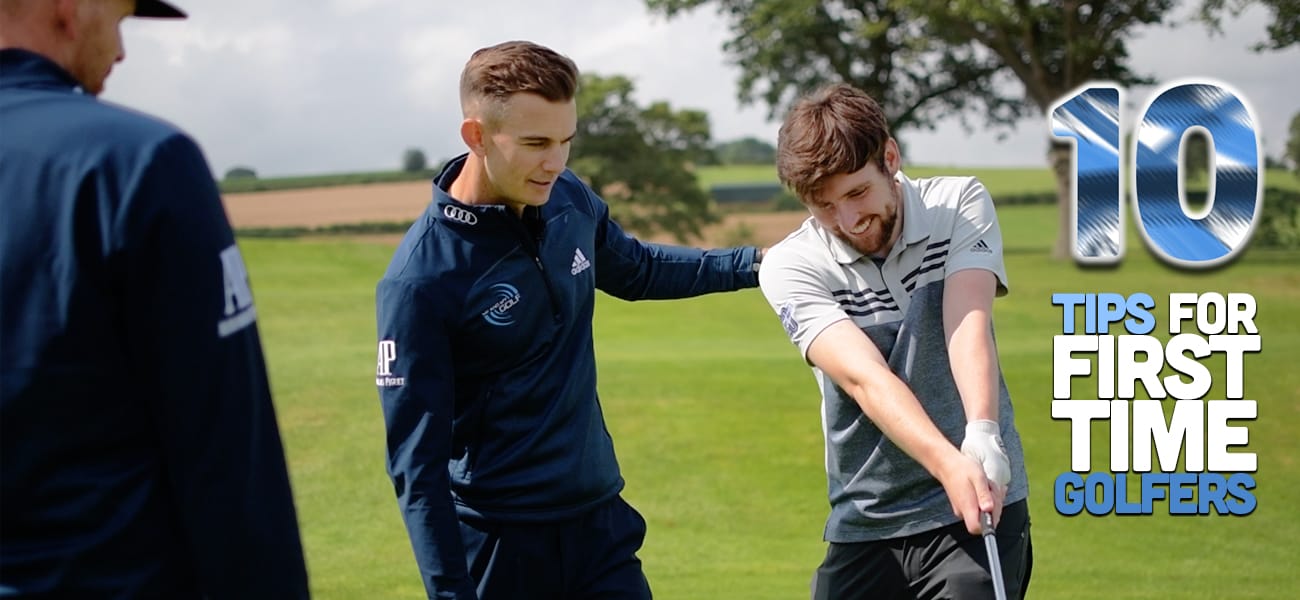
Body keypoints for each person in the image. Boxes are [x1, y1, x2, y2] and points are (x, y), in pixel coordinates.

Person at [374, 40, 763, 599]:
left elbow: (638, 269)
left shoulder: (567, 199)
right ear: (476, 136)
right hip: (498, 545)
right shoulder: (420, 281)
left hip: (599, 527)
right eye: (535, 143)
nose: (555, 162)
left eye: (564, 142)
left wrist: (757, 264)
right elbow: (417, 467)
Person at [0, 1, 310, 597]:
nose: (119, 51)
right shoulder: (134, 162)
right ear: (71, 7)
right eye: (117, 19)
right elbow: (230, 468)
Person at [757, 83, 1032, 600]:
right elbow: (866, 379)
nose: (848, 221)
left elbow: (965, 322)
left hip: (977, 508)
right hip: (867, 519)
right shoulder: (790, 265)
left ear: (890, 157)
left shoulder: (957, 204)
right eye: (824, 205)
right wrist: (948, 463)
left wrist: (983, 432)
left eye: (858, 193)